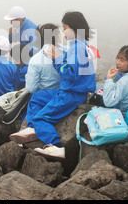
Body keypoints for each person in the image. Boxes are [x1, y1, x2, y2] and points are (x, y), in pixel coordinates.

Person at [9, 11, 96, 160]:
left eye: (65, 28)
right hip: (69, 90)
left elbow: (70, 74)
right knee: (37, 97)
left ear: (74, 28)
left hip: (71, 93)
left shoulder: (76, 48)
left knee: (39, 118)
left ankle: (55, 145)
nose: (63, 32)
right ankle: (31, 128)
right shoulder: (78, 46)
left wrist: (57, 58)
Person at [25, 23, 62, 94]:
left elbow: (30, 89)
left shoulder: (35, 60)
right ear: (56, 37)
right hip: (65, 97)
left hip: (44, 98)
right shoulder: (67, 54)